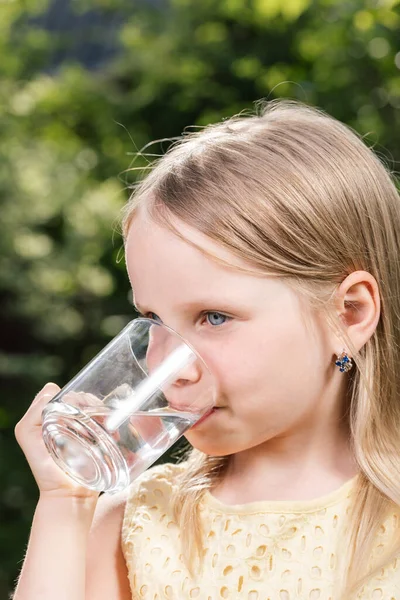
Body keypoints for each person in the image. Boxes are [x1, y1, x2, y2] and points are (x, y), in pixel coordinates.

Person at [13, 100, 400, 600]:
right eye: (152, 320)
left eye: (214, 317)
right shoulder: (139, 524)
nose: (167, 366)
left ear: (348, 314)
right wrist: (65, 502)